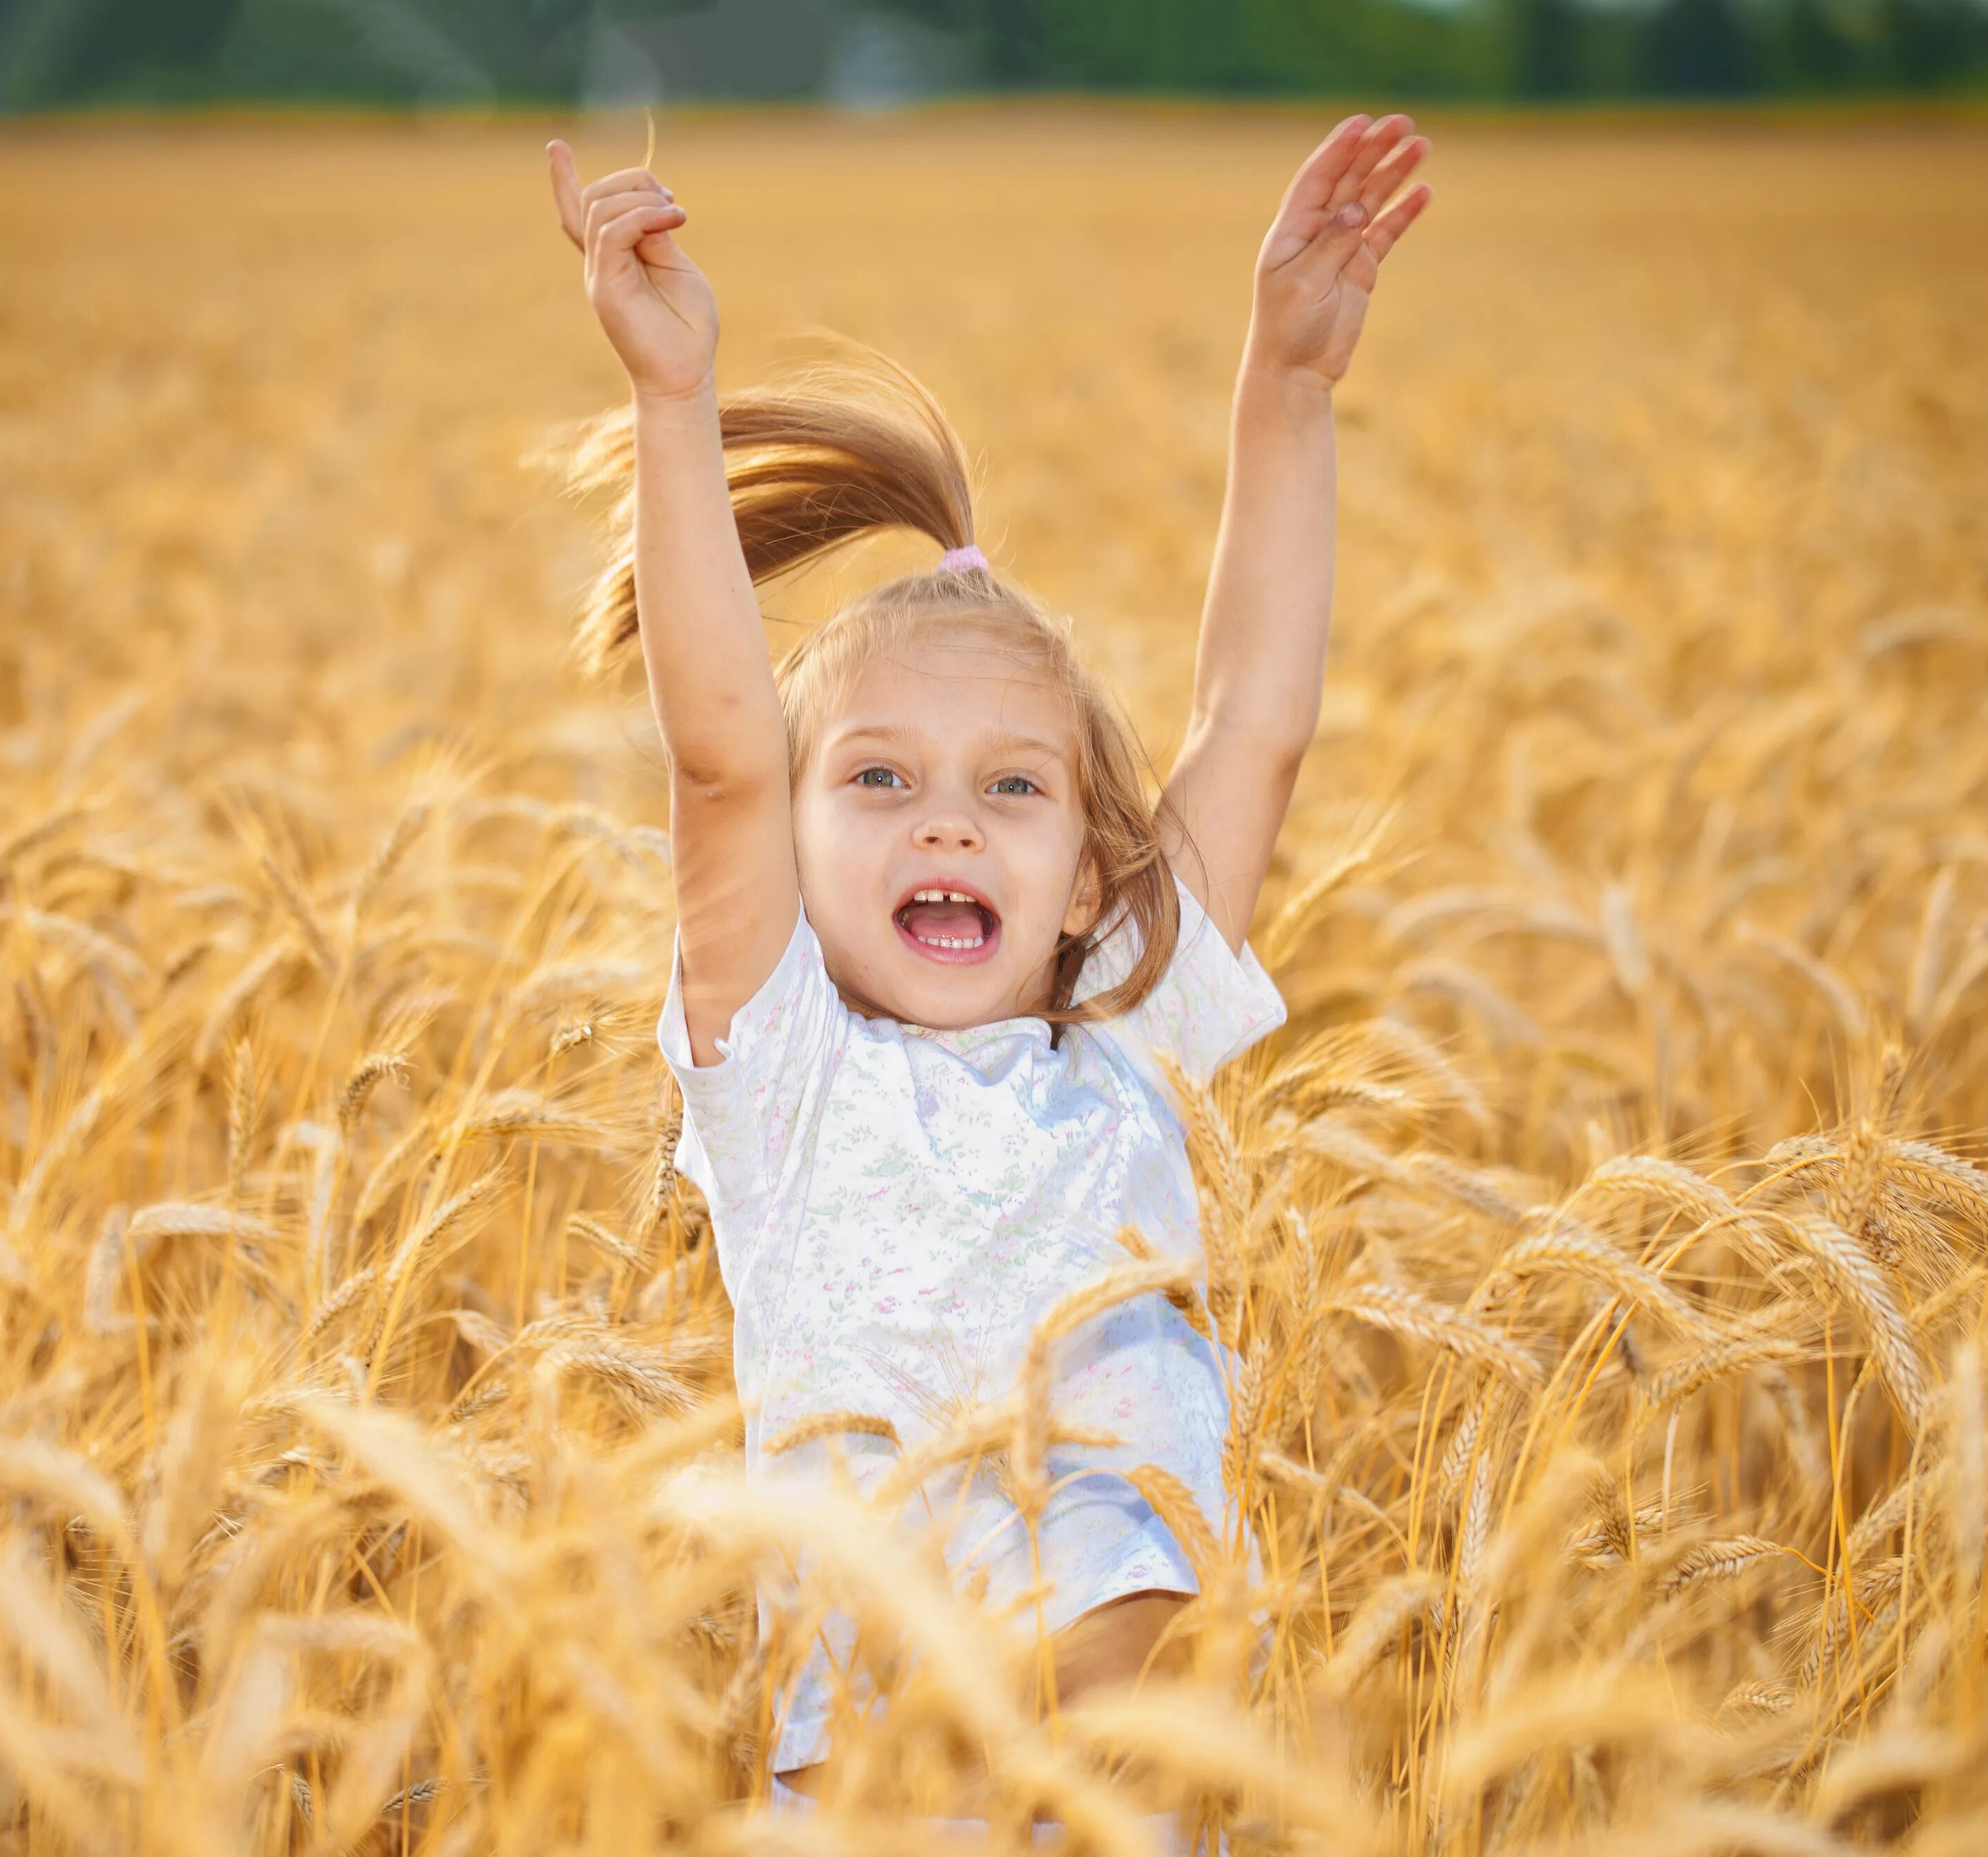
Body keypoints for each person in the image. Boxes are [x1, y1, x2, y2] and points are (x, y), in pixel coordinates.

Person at [545, 109, 1432, 1846]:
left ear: (1094, 870)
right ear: (794, 857)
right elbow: (720, 753)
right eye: (876, 777)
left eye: (1011, 786)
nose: (942, 820)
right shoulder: (779, 1070)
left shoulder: (1129, 1029)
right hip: (877, 1794)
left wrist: (1287, 389)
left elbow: (1255, 719)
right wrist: (673, 401)